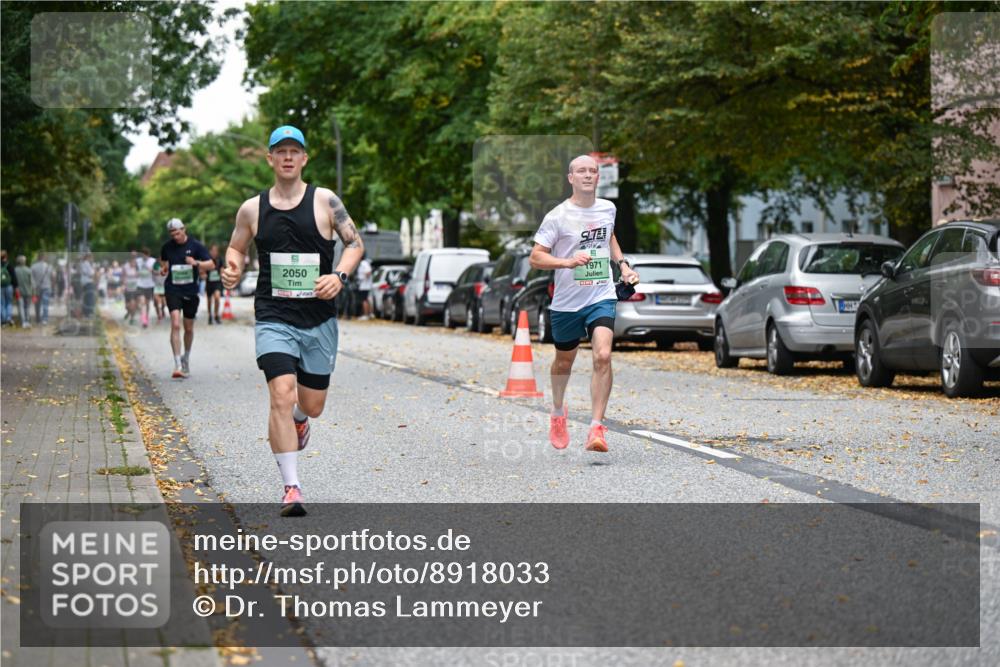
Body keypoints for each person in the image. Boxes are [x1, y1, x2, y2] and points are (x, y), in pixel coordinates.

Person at [221, 125, 364, 517]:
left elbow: (354, 243)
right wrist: (231, 270)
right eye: (280, 151)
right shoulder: (252, 209)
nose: (287, 157)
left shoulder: (325, 201)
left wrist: (339, 276)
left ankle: (302, 420)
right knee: (281, 394)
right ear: (270, 159)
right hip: (273, 316)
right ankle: (292, 487)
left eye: (294, 151)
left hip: (318, 320)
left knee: (311, 405)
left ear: (304, 159)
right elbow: (236, 247)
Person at [529, 154, 639, 453]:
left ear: (597, 178)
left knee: (603, 355)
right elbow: (536, 257)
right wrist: (566, 262)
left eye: (593, 171)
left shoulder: (608, 208)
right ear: (571, 178)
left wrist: (624, 265)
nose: (588, 175)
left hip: (600, 295)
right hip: (566, 302)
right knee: (564, 361)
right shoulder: (557, 216)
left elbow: (609, 236)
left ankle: (596, 428)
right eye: (581, 171)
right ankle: (557, 411)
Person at [160, 218, 213, 378]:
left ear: (184, 229)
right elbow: (163, 263)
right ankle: (177, 364)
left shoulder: (196, 246)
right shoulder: (167, 247)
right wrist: (163, 269)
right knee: (175, 324)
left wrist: (195, 263)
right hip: (172, 289)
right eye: (172, 234)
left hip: (190, 291)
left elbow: (211, 264)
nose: (175, 237)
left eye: (177, 233)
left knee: (188, 328)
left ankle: (186, 359)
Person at [31, 252, 54, 325]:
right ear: (44, 258)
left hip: (37, 288)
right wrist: (52, 286)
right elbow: (53, 277)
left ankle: (38, 318)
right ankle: (45, 319)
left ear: (38, 258)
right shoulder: (49, 266)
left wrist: (34, 286)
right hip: (47, 287)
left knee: (37, 304)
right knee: (45, 303)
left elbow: (31, 278)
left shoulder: (33, 266)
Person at [136, 247, 156, 328]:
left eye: (146, 255)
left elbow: (156, 271)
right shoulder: (138, 261)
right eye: (143, 255)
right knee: (142, 302)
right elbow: (135, 270)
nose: (144, 257)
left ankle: (146, 318)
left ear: (148, 255)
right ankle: (144, 320)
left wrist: (151, 270)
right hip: (140, 284)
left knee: (147, 304)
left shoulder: (153, 261)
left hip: (150, 285)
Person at [204, 244, 224, 324]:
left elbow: (222, 268)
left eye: (216, 251)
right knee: (209, 301)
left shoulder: (220, 259)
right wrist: (203, 274)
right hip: (209, 283)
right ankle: (210, 315)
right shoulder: (207, 259)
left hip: (217, 282)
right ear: (210, 251)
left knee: (217, 297)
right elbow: (203, 270)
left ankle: (216, 315)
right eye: (213, 251)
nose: (214, 252)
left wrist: (223, 274)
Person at [14, 255, 33, 327]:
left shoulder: (15, 270)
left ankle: (23, 322)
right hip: (28, 291)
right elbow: (32, 282)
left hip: (18, 291)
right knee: (27, 307)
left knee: (20, 307)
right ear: (24, 261)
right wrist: (33, 292)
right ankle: (27, 321)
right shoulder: (28, 270)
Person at [122, 252, 140, 325]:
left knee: (133, 304)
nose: (134, 257)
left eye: (135, 256)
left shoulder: (139, 265)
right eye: (132, 256)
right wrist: (123, 285)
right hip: (128, 288)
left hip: (136, 288)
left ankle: (132, 318)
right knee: (127, 306)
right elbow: (123, 276)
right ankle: (129, 312)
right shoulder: (126, 266)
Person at [356, 253, 373, 319]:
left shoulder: (364, 263)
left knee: (364, 300)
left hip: (364, 286)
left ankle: (366, 315)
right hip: (365, 285)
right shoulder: (364, 263)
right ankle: (369, 314)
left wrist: (364, 279)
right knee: (366, 300)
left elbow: (368, 271)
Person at [1, 250, 16, 326]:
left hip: (0, 287)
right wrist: (15, 286)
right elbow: (13, 277)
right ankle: (8, 318)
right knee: (9, 303)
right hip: (9, 286)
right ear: (6, 256)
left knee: (1, 303)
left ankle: (2, 320)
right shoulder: (9, 265)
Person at [152, 257, 167, 322]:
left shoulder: (167, 267)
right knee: (157, 302)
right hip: (157, 287)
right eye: (160, 260)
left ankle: (163, 310)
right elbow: (153, 273)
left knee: (164, 303)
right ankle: (159, 316)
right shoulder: (155, 267)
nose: (161, 262)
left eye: (162, 260)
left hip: (164, 287)